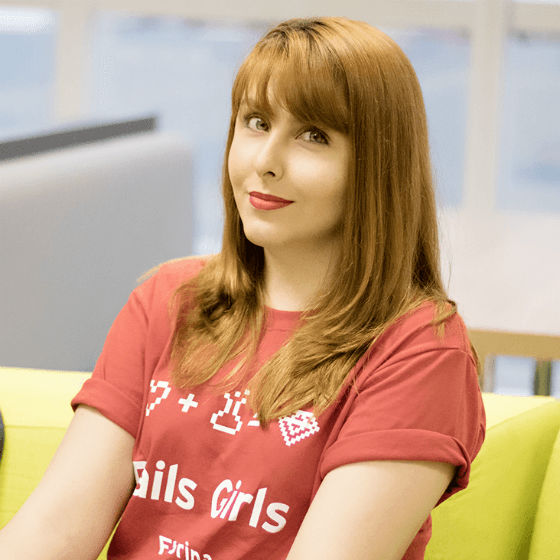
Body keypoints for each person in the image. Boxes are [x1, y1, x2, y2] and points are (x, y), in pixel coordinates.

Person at [0, 16, 485, 560]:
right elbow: (54, 529)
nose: (265, 161)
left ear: (377, 167)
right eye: (256, 122)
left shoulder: (421, 350)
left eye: (314, 135)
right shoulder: (168, 299)